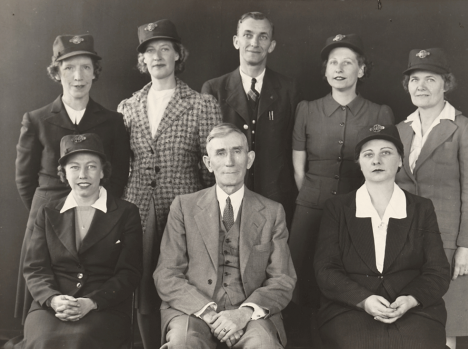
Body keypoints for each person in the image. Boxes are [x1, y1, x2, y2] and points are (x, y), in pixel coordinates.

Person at [117, 19, 221, 349]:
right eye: (150, 50)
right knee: (144, 289)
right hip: (138, 211)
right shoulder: (127, 107)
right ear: (142, 60)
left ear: (178, 55)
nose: (157, 56)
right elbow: (123, 166)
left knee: (183, 284)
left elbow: (211, 170)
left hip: (184, 210)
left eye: (165, 48)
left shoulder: (201, 104)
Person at [14, 34, 130, 322]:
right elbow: (25, 180)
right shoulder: (37, 119)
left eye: (86, 67)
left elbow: (118, 175)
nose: (78, 77)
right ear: (57, 72)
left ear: (95, 72)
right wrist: (47, 217)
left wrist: (100, 213)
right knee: (44, 302)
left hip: (96, 216)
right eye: (69, 68)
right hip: (48, 215)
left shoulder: (113, 120)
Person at [153, 123, 296, 349]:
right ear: (208, 163)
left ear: (249, 159)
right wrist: (212, 316)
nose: (229, 161)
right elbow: (166, 274)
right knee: (182, 342)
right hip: (193, 311)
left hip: (249, 313)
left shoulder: (272, 211)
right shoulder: (184, 207)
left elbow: (282, 279)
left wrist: (243, 314)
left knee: (265, 345)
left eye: (237, 151)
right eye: (220, 153)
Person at [314, 124, 450, 348]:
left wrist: (410, 300)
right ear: (360, 163)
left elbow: (438, 271)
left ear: (399, 161)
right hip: (350, 306)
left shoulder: (421, 208)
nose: (376, 160)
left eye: (385, 152)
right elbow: (325, 269)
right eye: (368, 154)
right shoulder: (337, 208)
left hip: (411, 308)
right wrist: (363, 300)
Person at [289, 34, 394, 308]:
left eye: (347, 63)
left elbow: (384, 169)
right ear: (325, 71)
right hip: (310, 206)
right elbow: (299, 169)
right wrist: (314, 196)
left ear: (361, 70)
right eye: (333, 62)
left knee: (350, 279)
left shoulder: (379, 113)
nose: (338, 68)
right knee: (296, 275)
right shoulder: (307, 110)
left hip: (357, 208)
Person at [396, 48, 468, 349]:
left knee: (445, 330)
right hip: (404, 242)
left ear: (446, 84)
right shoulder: (400, 130)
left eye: (430, 79)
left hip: (448, 245)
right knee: (407, 324)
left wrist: (466, 246)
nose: (420, 86)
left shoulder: (467, 128)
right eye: (414, 79)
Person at [14, 133, 142, 349]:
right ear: (64, 172)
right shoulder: (47, 212)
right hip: (52, 305)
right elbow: (35, 268)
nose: (83, 175)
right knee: (44, 341)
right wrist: (54, 299)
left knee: (82, 341)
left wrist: (91, 302)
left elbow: (129, 272)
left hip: (103, 306)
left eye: (91, 166)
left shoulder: (127, 213)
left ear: (103, 171)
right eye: (74, 167)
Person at [201, 12, 301, 229]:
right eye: (248, 35)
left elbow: (293, 145)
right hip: (229, 193)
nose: (254, 43)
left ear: (272, 45)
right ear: (236, 41)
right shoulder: (214, 88)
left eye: (263, 37)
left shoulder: (288, 89)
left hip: (275, 195)